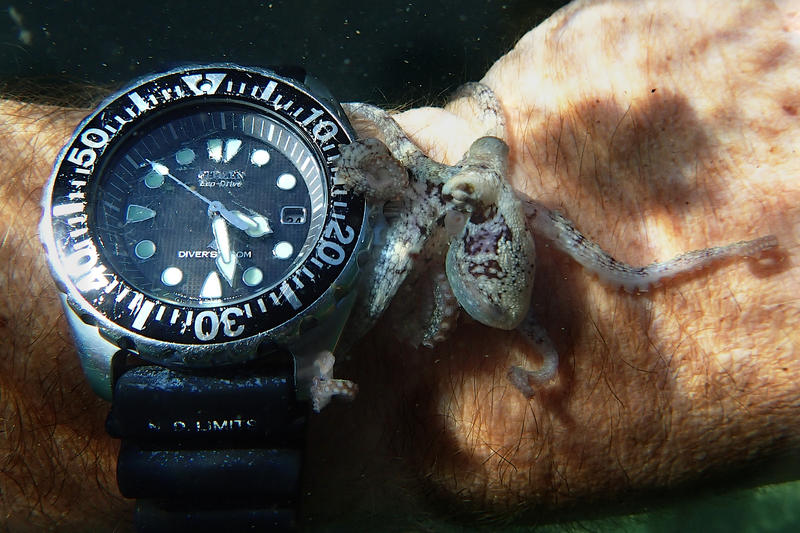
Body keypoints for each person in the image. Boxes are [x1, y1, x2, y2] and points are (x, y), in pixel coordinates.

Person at [1, 0, 797, 530]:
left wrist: (724, 249)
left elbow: (608, 266)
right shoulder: (486, 209)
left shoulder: (484, 214)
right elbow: (616, 270)